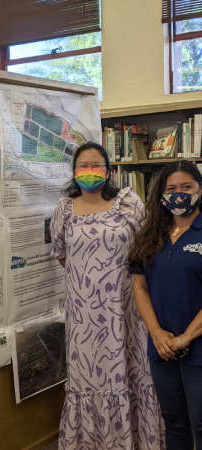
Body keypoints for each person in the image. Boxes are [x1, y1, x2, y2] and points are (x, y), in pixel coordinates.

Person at [50, 142, 164, 450]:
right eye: (83, 166)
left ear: (108, 170)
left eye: (96, 165)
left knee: (129, 372)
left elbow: (146, 247)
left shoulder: (128, 203)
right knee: (89, 378)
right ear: (74, 173)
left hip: (125, 310)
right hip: (83, 316)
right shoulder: (63, 210)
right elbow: (63, 256)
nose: (89, 172)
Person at [128, 160, 202, 450]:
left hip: (197, 346)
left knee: (201, 422)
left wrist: (185, 338)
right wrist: (156, 333)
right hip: (162, 347)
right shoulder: (152, 233)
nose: (179, 194)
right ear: (161, 194)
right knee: (174, 421)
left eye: (187, 187)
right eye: (171, 189)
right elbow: (140, 285)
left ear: (200, 189)